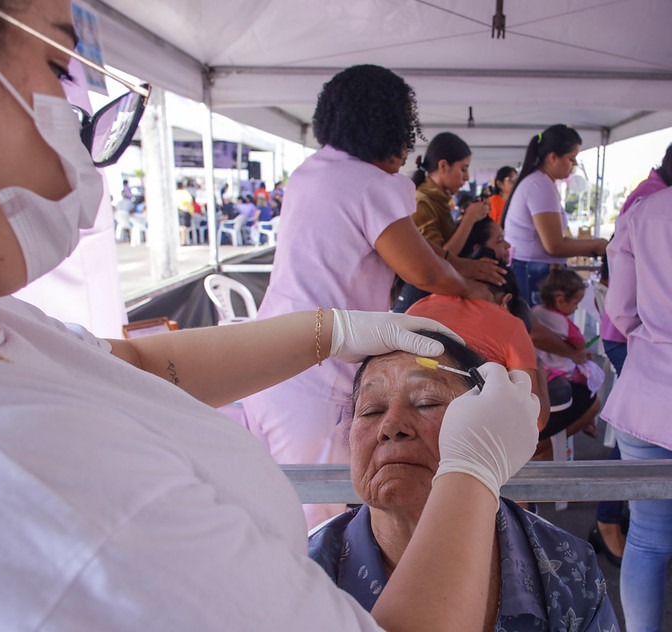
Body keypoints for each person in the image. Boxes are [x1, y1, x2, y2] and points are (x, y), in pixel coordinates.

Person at [0, 2, 541, 630]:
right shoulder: (30, 473)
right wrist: (471, 475)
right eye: (58, 66)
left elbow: (127, 365)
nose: (81, 139)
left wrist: (332, 331)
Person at [241, 64, 504, 528]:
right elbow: (422, 267)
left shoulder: (312, 172)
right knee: (320, 520)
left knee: (272, 507)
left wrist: (458, 266)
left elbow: (417, 252)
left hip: (266, 359)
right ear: (392, 127)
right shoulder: (372, 183)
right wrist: (469, 287)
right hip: (316, 373)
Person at [308, 336, 618, 630]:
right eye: (371, 410)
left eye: (427, 402)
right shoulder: (301, 573)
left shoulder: (566, 569)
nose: (390, 426)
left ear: (492, 424)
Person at [591, 143, 672, 569]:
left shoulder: (645, 208)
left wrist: (654, 339)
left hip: (647, 388)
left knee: (648, 538)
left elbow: (620, 311)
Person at [406, 267, 549, 431]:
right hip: (466, 433)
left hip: (406, 419)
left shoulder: (417, 307)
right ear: (506, 300)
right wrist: (542, 376)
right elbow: (535, 420)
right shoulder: (511, 324)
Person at [502, 125, 608, 305]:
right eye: (571, 158)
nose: (574, 164)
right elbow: (554, 245)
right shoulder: (540, 185)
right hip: (534, 271)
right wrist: (599, 245)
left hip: (530, 268)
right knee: (540, 330)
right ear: (552, 157)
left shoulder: (539, 182)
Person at [392, 132, 491, 311]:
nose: (467, 177)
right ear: (443, 166)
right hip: (420, 297)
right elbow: (434, 262)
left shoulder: (440, 200)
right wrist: (469, 219)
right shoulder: (422, 202)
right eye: (463, 168)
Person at [531, 269, 603, 453]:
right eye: (576, 303)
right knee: (590, 385)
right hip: (562, 373)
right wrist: (582, 350)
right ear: (561, 300)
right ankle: (588, 421)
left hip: (540, 368)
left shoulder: (535, 312)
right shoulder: (563, 322)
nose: (577, 308)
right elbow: (579, 342)